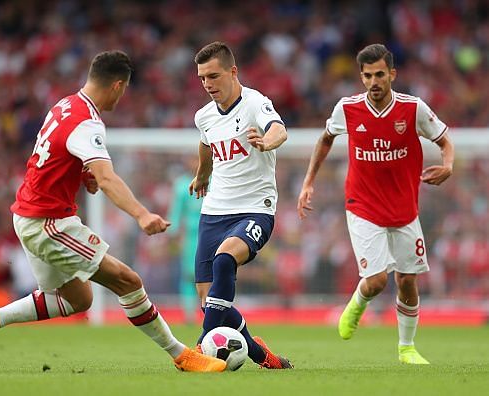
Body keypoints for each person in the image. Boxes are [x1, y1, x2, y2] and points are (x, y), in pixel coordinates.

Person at [0, 50, 226, 373]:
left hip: (28, 215)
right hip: (49, 222)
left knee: (78, 299)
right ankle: (182, 355)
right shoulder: (88, 123)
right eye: (124, 90)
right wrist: (142, 214)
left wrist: (82, 175)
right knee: (128, 281)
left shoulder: (65, 105)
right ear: (117, 86)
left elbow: (53, 155)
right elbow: (107, 177)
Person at [297, 44, 454, 364]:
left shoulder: (413, 109)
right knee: (378, 280)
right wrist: (308, 181)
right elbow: (326, 138)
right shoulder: (348, 108)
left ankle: (406, 348)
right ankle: (356, 305)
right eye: (367, 76)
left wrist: (448, 165)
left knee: (407, 280)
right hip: (362, 205)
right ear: (361, 77)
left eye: (380, 74)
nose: (373, 82)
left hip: (404, 208)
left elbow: (444, 140)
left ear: (392, 74)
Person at [189, 41, 292, 369]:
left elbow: (279, 129)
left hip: (254, 208)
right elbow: (206, 144)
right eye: (202, 78)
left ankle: (198, 347)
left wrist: (267, 142)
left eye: (214, 76)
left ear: (233, 72)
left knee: (224, 260)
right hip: (214, 211)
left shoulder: (255, 103)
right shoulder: (204, 116)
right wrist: (202, 174)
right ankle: (263, 356)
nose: (208, 85)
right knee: (210, 303)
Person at [167, 155, 202, 324]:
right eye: (192, 159)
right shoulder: (182, 185)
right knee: (190, 275)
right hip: (191, 236)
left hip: (213, 232)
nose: (194, 162)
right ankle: (189, 313)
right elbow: (176, 211)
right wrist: (172, 233)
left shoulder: (214, 181)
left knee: (215, 272)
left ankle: (213, 311)